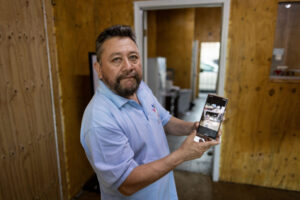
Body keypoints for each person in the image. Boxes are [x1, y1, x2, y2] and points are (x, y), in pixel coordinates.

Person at [80, 25, 221, 200]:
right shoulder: (99, 121)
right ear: (99, 69)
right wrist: (182, 154)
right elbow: (126, 184)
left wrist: (192, 127)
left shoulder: (140, 88)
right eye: (116, 59)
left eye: (133, 57)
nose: (128, 66)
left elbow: (164, 120)